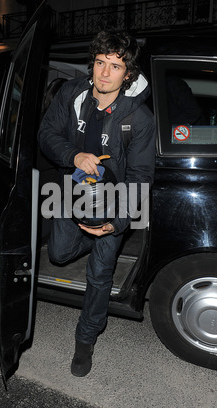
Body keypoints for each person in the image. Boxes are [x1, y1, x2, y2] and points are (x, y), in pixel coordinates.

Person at [38, 29, 156, 377]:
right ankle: (92, 241)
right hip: (72, 190)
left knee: (100, 274)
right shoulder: (72, 93)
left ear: (128, 73)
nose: (104, 73)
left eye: (115, 66)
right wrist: (74, 155)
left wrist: (115, 225)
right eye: (100, 62)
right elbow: (47, 134)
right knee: (58, 254)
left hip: (113, 199)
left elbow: (140, 179)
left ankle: (85, 340)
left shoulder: (139, 119)